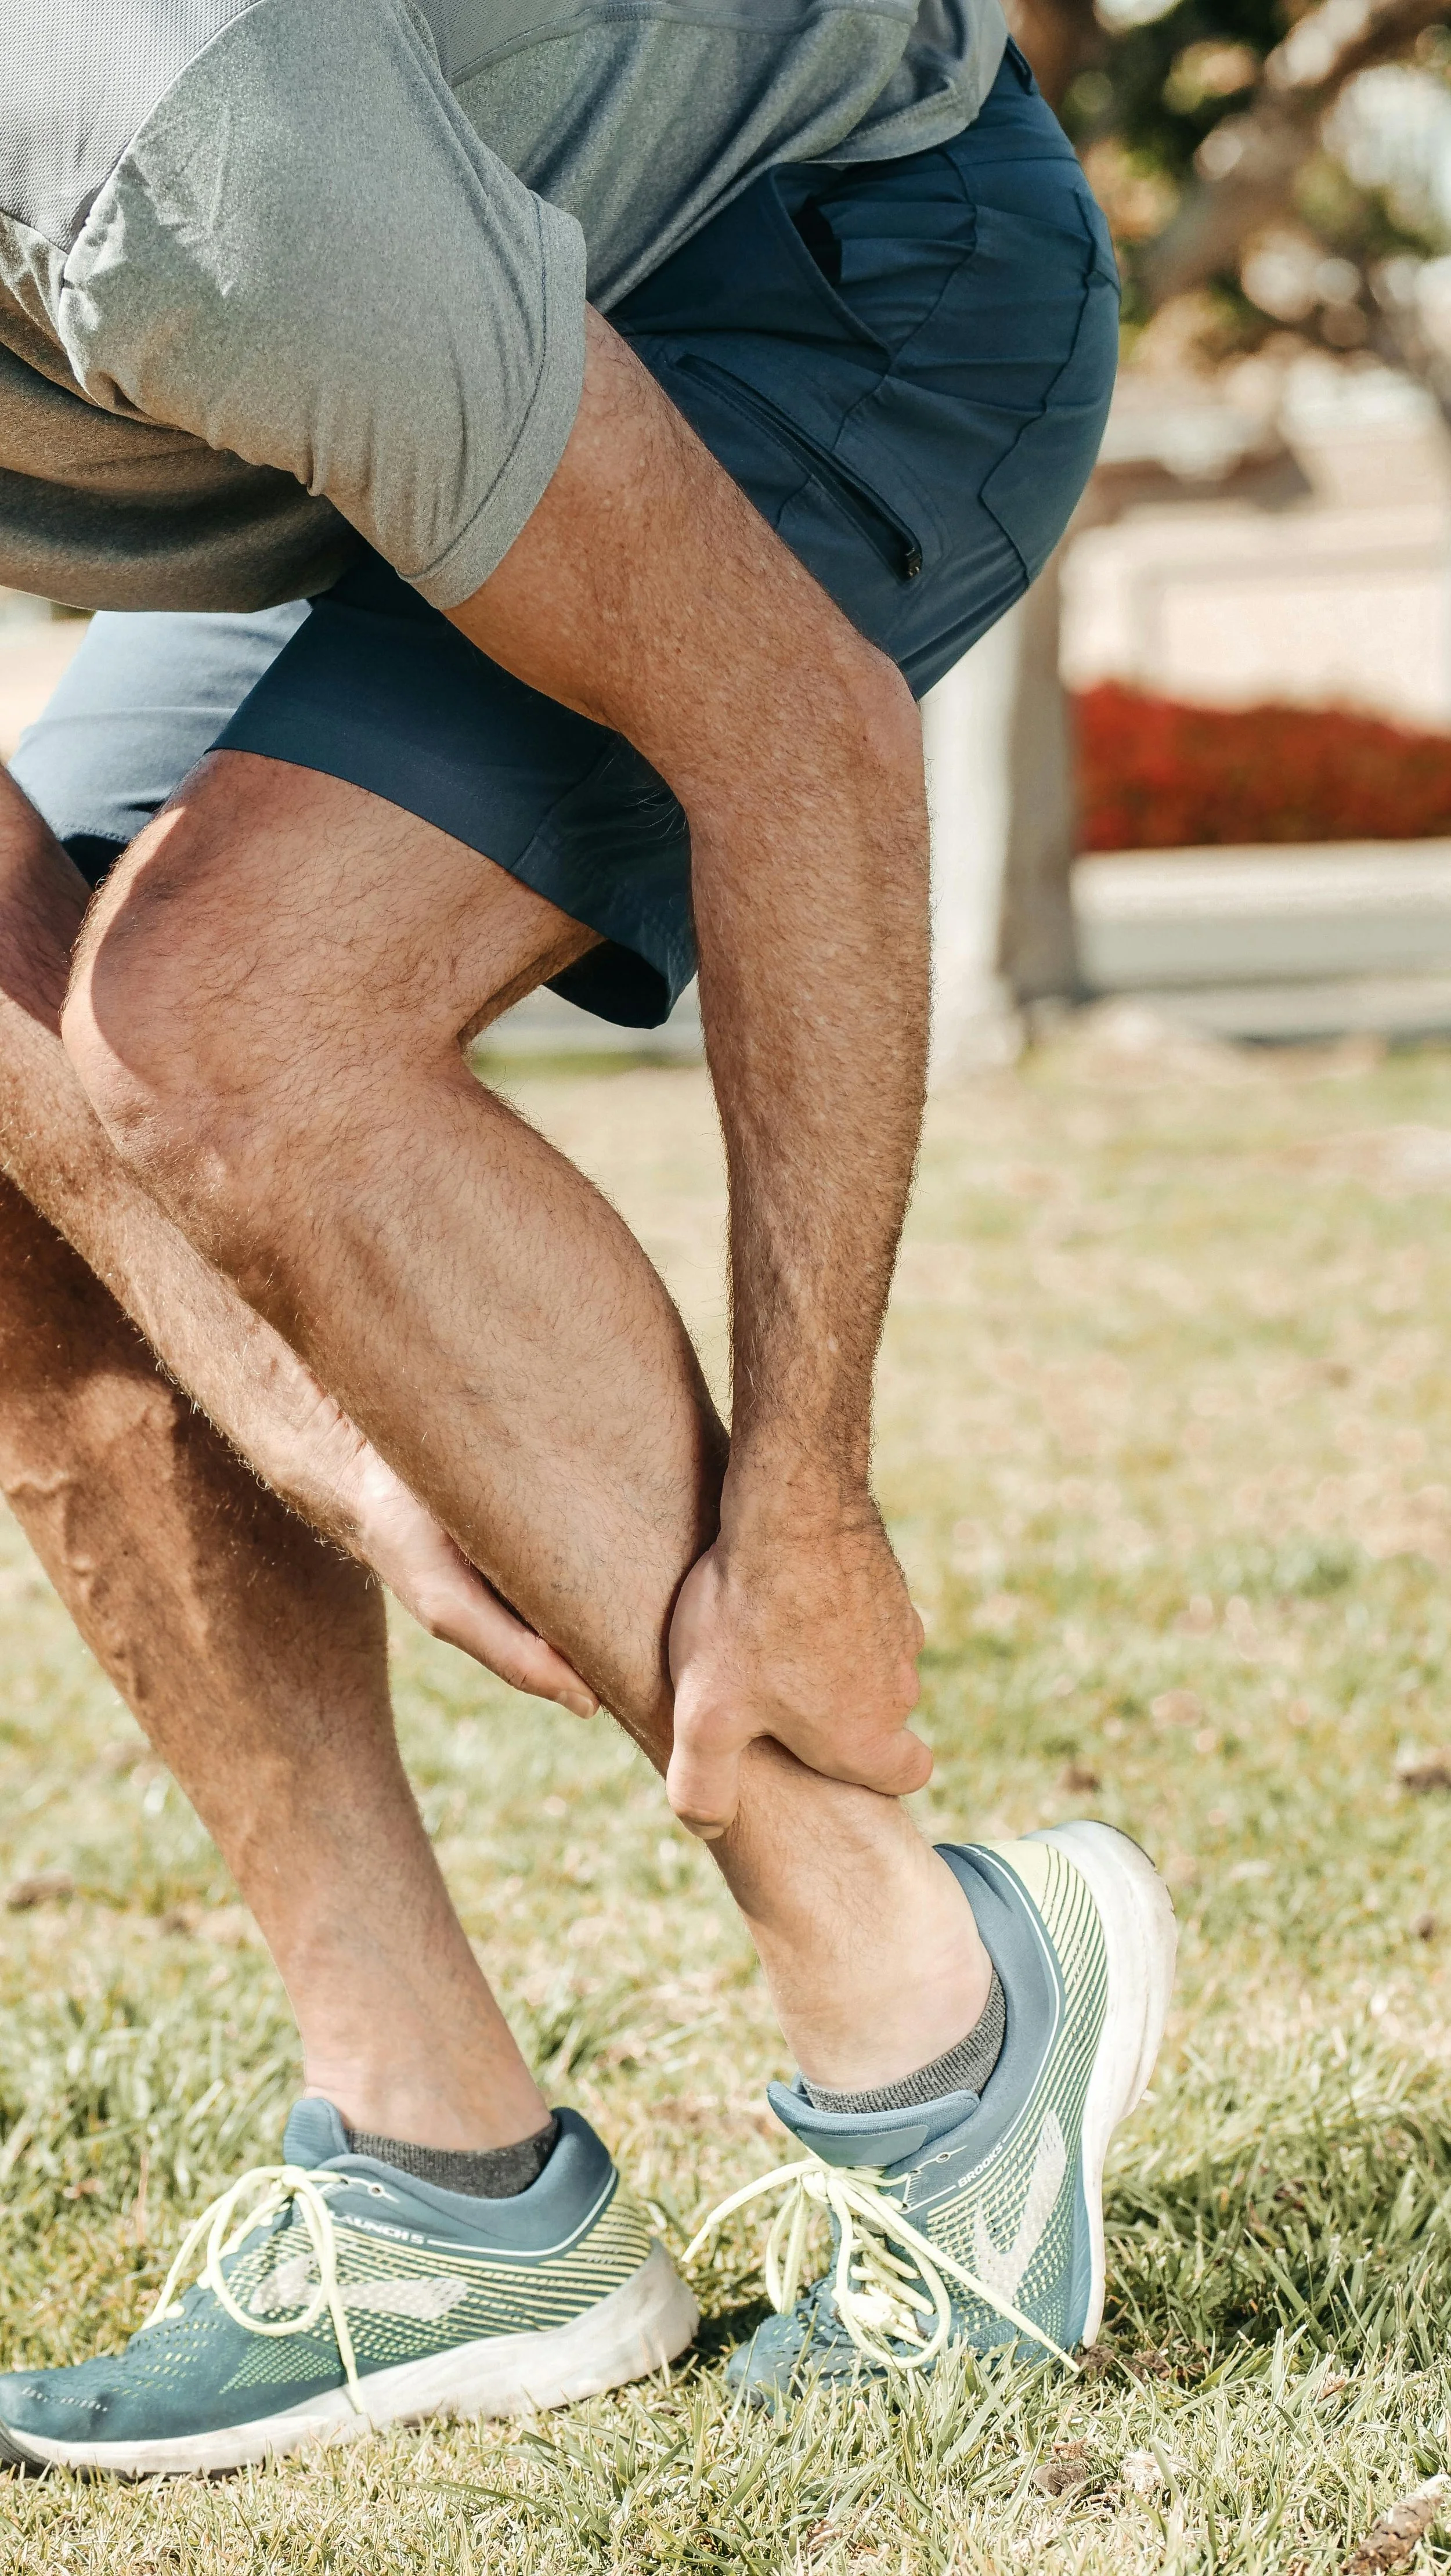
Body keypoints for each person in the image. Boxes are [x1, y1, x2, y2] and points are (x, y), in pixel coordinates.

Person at [0, 0, 1174, 2474]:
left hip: (840, 252)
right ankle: (444, 2170)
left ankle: (942, 2023)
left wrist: (809, 1496)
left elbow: (799, 733)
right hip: (341, 392)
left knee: (236, 1028)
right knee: (65, 1116)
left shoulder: (156, 113)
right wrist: (309, 1426)